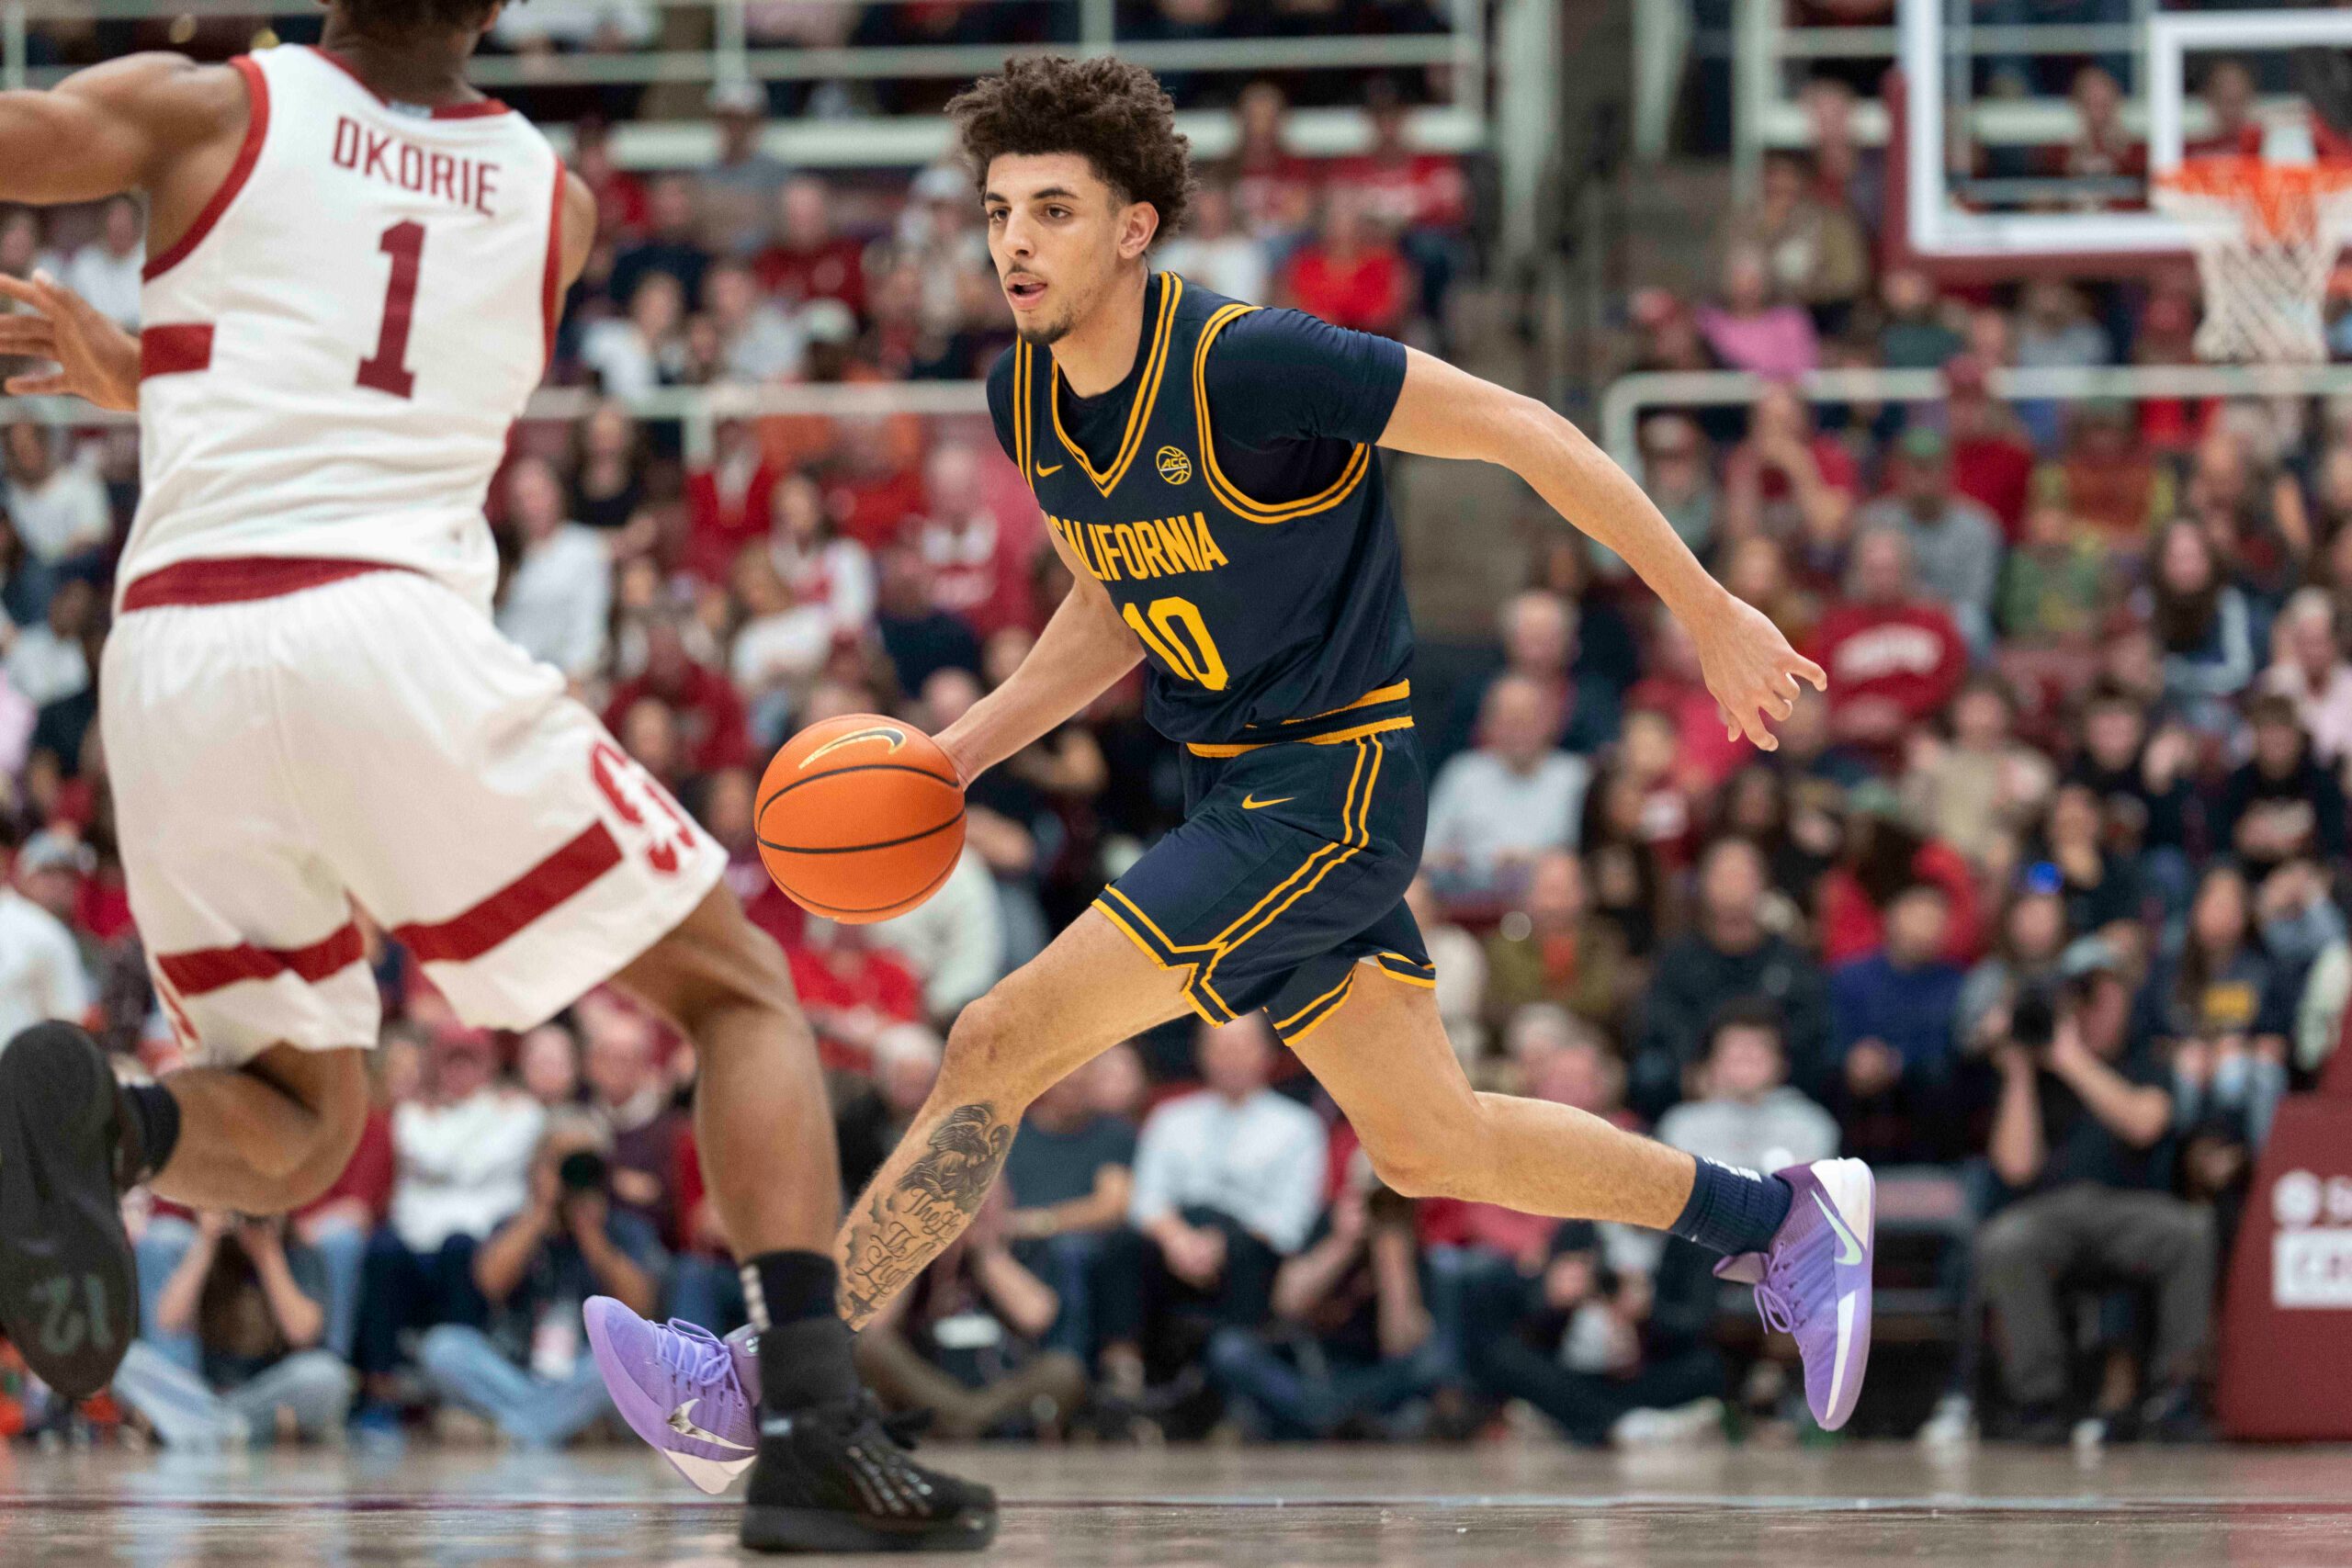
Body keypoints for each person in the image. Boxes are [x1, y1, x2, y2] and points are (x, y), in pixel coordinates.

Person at [596, 51, 1873, 1472]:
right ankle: (1781, 1223)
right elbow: (1108, 608)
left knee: (992, 1042)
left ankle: (770, 1390)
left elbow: (1520, 428)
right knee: (1431, 1143)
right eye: (999, 207)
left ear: (1134, 227)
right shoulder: (1029, 397)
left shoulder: (1251, 362)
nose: (1014, 239)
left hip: (1328, 785)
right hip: (1234, 786)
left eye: (1055, 209)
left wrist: (1705, 605)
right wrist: (956, 753)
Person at [0, 10, 991, 1551]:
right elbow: (374, 391)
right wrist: (140, 369)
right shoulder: (554, 202)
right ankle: (805, 1423)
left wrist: (127, 362)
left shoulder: (202, 109)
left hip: (177, 651)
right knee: (738, 990)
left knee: (306, 1114)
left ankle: (101, 1134)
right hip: (382, 628)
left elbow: (262, 351)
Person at [1974, 941, 2215, 1441]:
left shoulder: (2146, 1058)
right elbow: (2016, 1167)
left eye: (2109, 995)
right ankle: (2038, 1399)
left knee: (2191, 1232)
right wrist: (2019, 1073)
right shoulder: (2037, 1069)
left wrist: (2074, 1061)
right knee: (2004, 1241)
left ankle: (2175, 1392)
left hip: (2131, 1211)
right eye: (2085, 997)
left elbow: (2145, 1123)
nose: (2097, 1008)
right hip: (2051, 1214)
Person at [417, 1113, 665, 1448]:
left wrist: (591, 1235)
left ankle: (510, 1429)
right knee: (442, 1347)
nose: (571, 1176)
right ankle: (560, 1426)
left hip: (584, 1368)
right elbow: (489, 1283)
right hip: (514, 1366)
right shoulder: (518, 1222)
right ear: (540, 1166)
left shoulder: (623, 1229)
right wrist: (540, 1212)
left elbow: (641, 1305)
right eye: (562, 1163)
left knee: (623, 1364)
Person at [110, 1210, 356, 1448]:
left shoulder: (300, 1251)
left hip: (266, 1395)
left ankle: (205, 1431)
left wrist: (267, 1255)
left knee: (327, 1375)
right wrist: (205, 1242)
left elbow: (303, 1334)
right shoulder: (210, 1248)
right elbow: (168, 1323)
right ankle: (231, 1431)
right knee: (125, 1360)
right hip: (206, 1392)